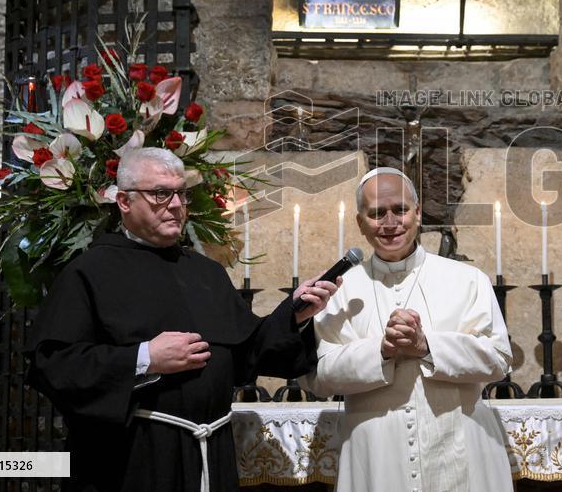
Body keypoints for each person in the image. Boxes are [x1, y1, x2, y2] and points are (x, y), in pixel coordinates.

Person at [25, 147, 339, 492]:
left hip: (210, 453)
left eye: (181, 193)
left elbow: (247, 354)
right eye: (161, 194)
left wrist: (294, 314)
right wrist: (145, 358)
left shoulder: (207, 273)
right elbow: (54, 365)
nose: (176, 205)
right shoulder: (89, 271)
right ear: (125, 202)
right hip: (134, 458)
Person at [302, 167, 513, 492]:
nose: (390, 223)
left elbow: (498, 359)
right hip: (376, 453)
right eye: (376, 213)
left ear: (417, 213)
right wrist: (382, 351)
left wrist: (426, 346)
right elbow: (318, 377)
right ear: (360, 222)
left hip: (463, 443)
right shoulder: (338, 290)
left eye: (400, 209)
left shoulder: (468, 280)